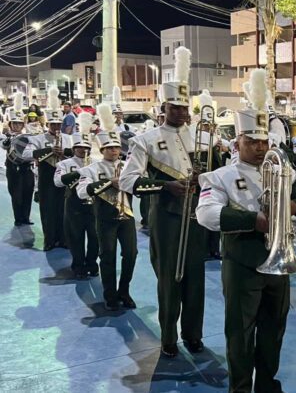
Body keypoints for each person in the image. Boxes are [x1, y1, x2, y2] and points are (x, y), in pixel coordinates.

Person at [196, 97, 296, 393]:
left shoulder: (282, 171)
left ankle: (266, 384)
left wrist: (293, 205)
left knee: (274, 330)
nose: (260, 148)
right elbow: (205, 214)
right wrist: (254, 220)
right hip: (242, 264)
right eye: (252, 141)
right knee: (240, 333)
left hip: (279, 263)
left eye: (264, 141)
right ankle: (240, 388)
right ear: (238, 141)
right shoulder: (221, 176)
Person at [119, 46, 209, 357]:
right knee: (170, 279)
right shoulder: (145, 140)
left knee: (196, 279)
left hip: (197, 216)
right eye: (175, 108)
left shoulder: (201, 136)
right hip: (167, 218)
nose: (182, 113)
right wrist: (164, 186)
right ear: (164, 107)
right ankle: (169, 337)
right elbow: (127, 181)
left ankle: (193, 335)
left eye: (185, 108)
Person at [77, 104, 137, 311]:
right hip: (105, 219)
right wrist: (108, 183)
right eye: (110, 148)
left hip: (127, 217)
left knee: (131, 254)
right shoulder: (92, 168)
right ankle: (110, 295)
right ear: (102, 149)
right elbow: (82, 192)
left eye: (116, 147)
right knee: (108, 256)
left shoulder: (128, 167)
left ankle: (124, 291)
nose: (114, 151)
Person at [22, 87, 73, 250]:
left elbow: (79, 155)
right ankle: (49, 240)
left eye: (59, 124)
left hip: (64, 177)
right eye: (53, 124)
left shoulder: (69, 138)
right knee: (47, 209)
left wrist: (64, 152)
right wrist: (49, 150)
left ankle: (63, 239)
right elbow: (26, 154)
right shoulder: (38, 138)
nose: (56, 127)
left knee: (64, 210)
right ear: (48, 124)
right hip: (46, 177)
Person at [54, 116, 98, 279]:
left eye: (85, 147)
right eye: (79, 147)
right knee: (75, 237)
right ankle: (78, 266)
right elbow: (58, 182)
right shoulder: (64, 164)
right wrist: (79, 173)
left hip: (93, 205)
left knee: (95, 238)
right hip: (74, 205)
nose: (82, 150)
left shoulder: (96, 163)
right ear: (73, 148)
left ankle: (92, 263)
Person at [2, 93, 35, 226]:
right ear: (10, 124)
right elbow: (4, 145)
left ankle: (26, 217)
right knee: (16, 195)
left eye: (19, 123)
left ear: (23, 125)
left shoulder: (29, 136)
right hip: (13, 169)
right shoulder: (5, 136)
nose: (17, 125)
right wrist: (9, 138)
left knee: (28, 193)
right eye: (14, 123)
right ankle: (18, 218)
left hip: (27, 168)